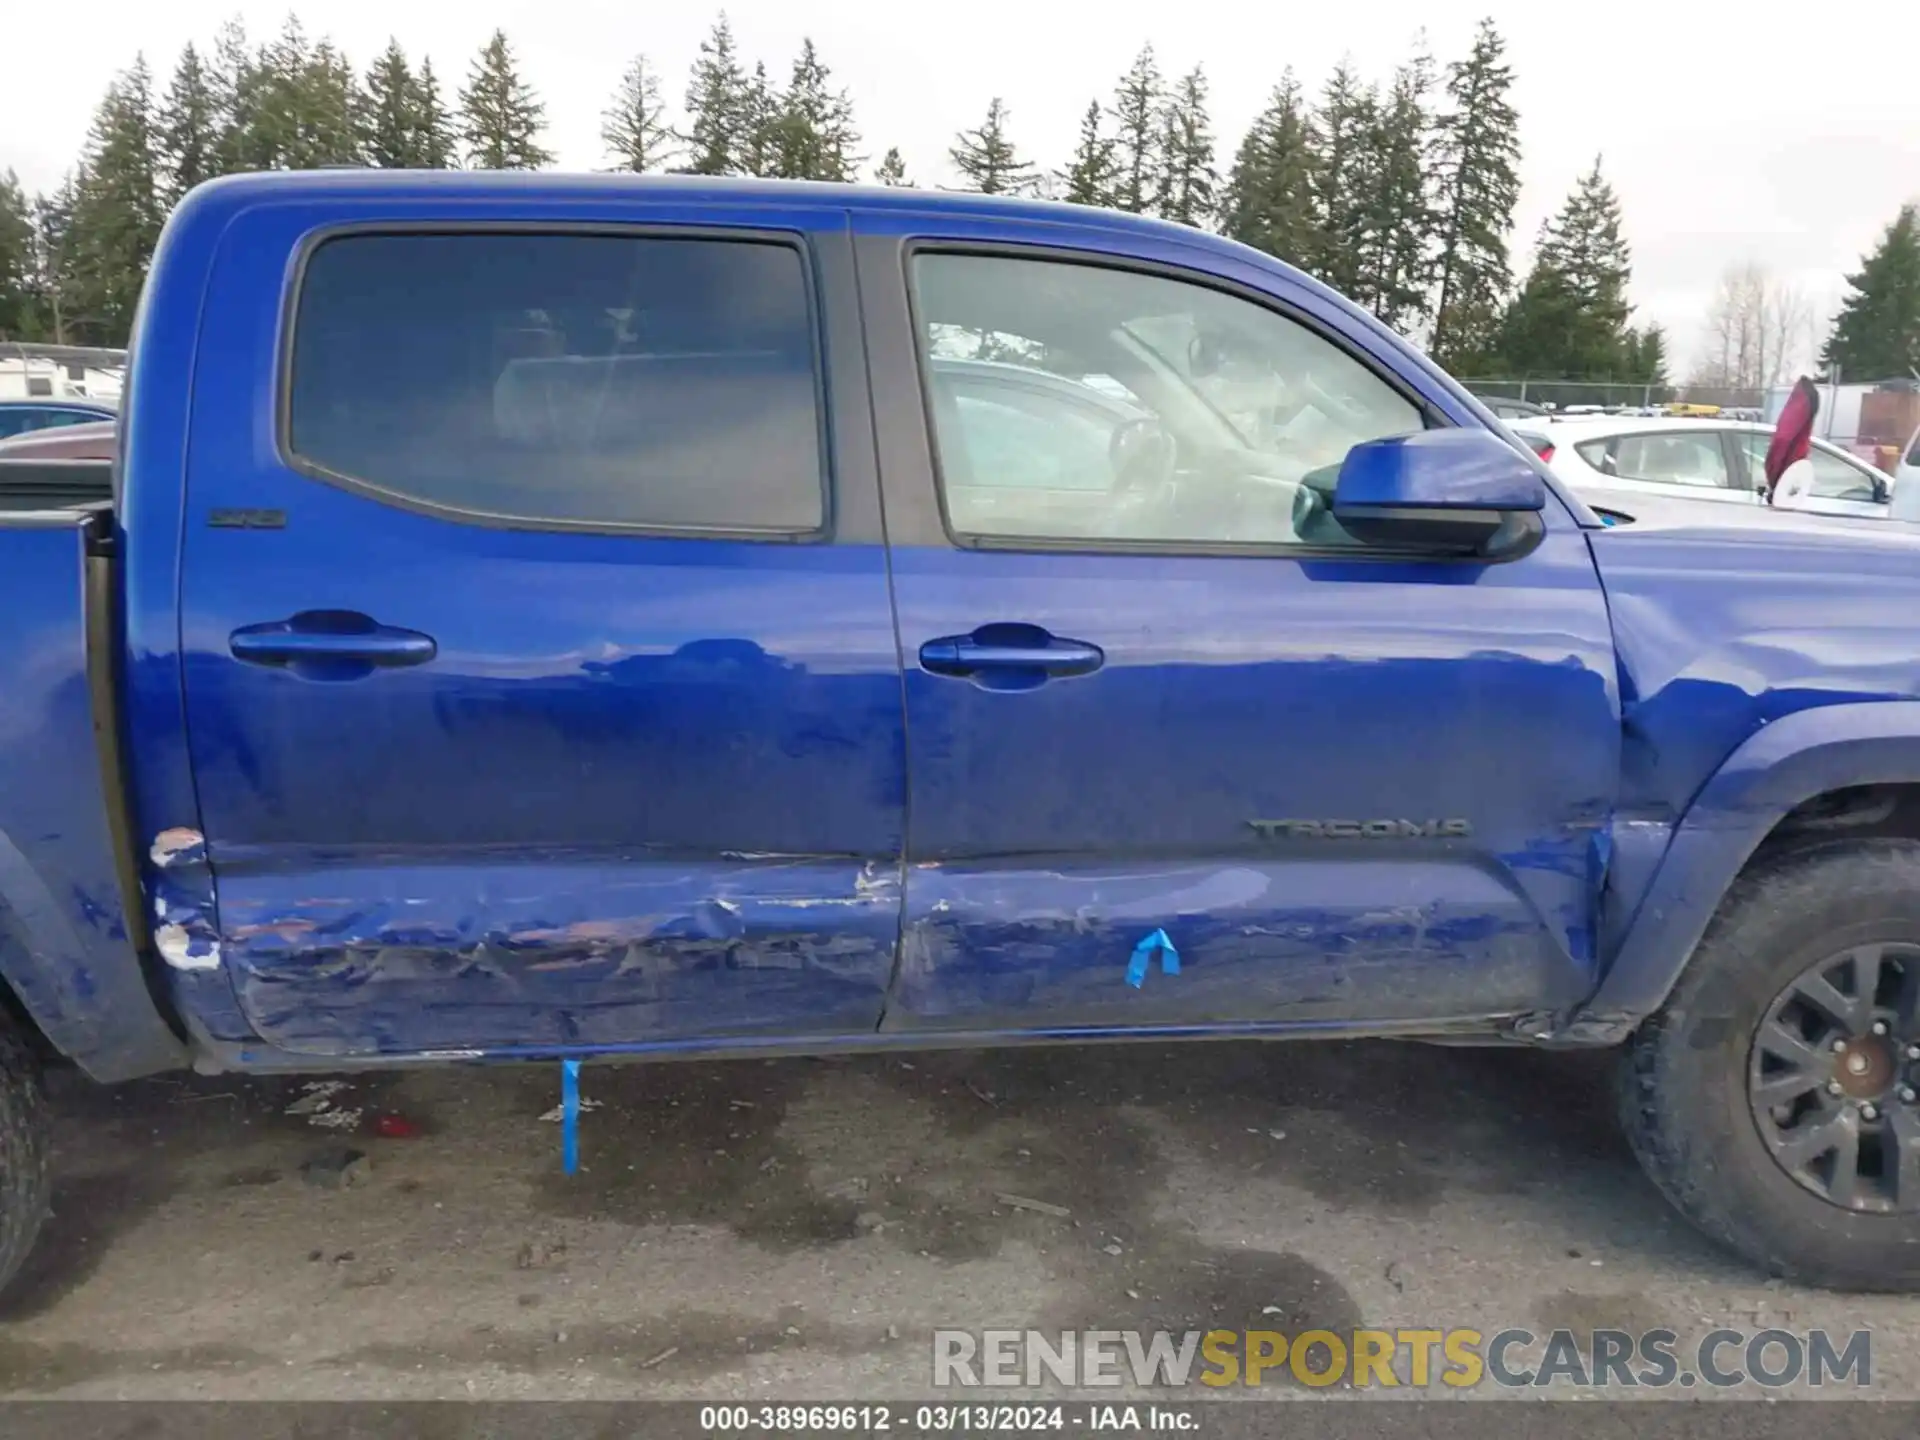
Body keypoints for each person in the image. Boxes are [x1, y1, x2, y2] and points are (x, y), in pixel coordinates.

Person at [1764, 376, 1820, 511]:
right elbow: (1782, 440)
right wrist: (1778, 481)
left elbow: (1782, 440)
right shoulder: (1803, 403)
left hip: (1785, 487)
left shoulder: (1800, 403)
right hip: (1786, 493)